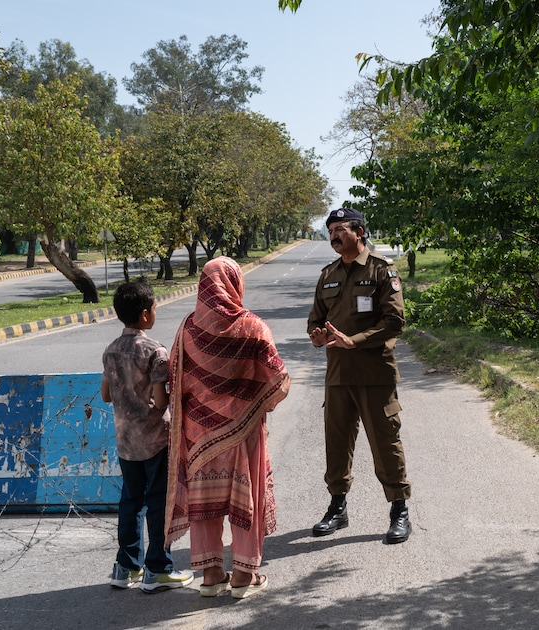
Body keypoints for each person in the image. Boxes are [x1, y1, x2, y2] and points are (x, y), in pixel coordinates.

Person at [165, 257, 291, 599]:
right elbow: (278, 378)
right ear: (234, 283)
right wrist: (251, 404)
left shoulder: (188, 329)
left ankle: (210, 574)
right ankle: (244, 575)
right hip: (242, 432)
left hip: (199, 435)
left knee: (203, 505)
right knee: (245, 501)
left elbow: (174, 376)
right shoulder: (252, 326)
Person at [307, 207, 413, 544]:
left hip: (375, 373)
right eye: (331, 231)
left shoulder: (381, 271)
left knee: (386, 443)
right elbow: (315, 319)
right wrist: (317, 335)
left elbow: (395, 321)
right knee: (336, 444)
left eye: (340, 229)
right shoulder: (327, 275)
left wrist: (357, 340)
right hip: (338, 374)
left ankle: (400, 511)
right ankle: (338, 507)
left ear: (360, 232)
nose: (334, 236)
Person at [100, 281, 194, 594]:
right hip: (155, 440)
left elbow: (105, 395)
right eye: (154, 308)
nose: (155, 312)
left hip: (126, 441)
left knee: (131, 502)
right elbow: (163, 401)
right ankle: (158, 568)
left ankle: (125, 566)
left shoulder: (111, 350)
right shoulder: (156, 351)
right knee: (158, 504)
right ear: (144, 315)